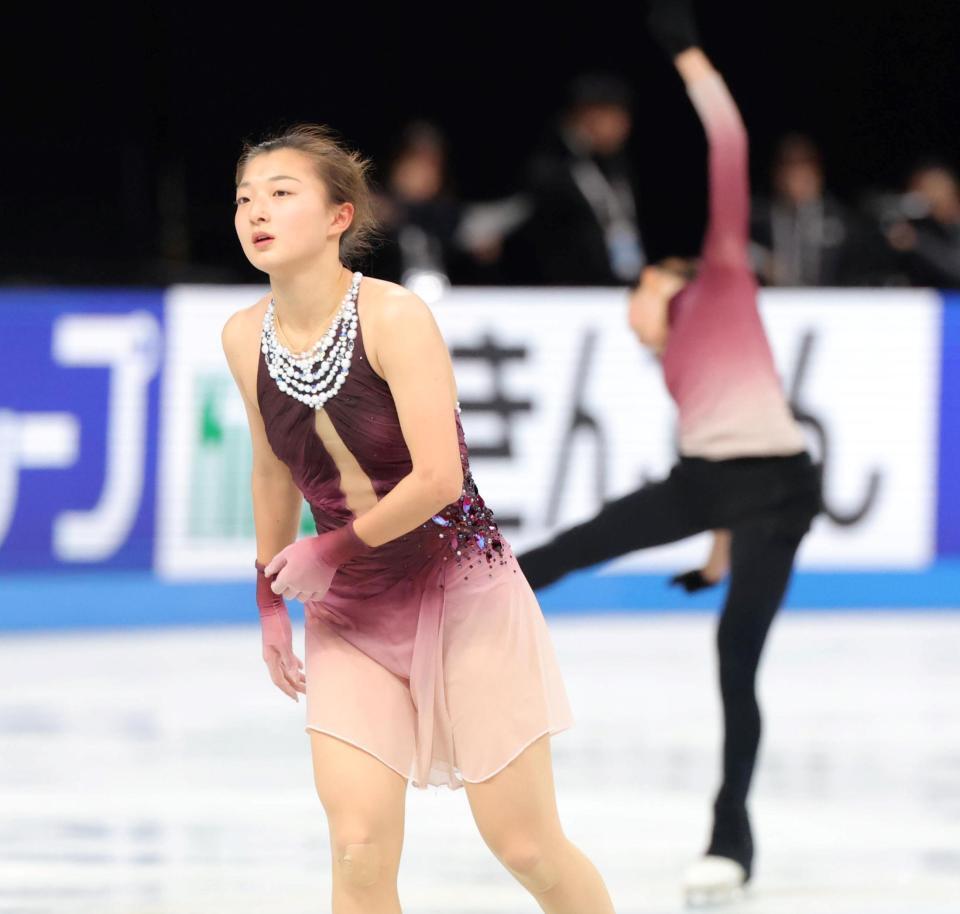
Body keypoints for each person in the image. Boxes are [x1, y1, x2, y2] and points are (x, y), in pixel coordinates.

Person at [221, 123, 617, 914]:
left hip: (465, 598)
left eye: (280, 193)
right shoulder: (241, 337)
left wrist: (328, 549)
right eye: (243, 200)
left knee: (528, 848)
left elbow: (438, 477)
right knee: (358, 851)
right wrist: (269, 602)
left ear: (339, 216)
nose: (255, 212)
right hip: (351, 617)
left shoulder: (394, 316)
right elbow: (271, 470)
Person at [518, 3, 822, 904]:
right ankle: (441, 600)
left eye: (637, 294)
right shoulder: (671, 360)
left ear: (667, 279)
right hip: (715, 487)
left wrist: (689, 57)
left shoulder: (721, 277)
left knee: (736, 659)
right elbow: (708, 459)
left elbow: (727, 145)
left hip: (777, 489)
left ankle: (732, 841)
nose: (629, 313)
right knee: (574, 547)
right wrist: (711, 555)